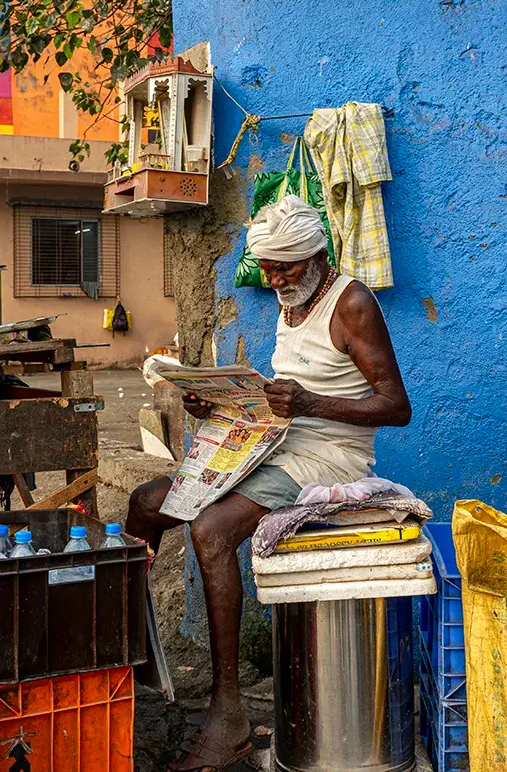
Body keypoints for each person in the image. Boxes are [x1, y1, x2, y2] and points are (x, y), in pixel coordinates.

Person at [126, 195, 411, 772]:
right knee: (145, 504)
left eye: (286, 268)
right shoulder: (290, 303)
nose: (275, 280)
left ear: (316, 257)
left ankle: (228, 709)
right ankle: (130, 655)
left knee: (210, 530)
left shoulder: (350, 302)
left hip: (328, 458)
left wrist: (308, 402)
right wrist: (221, 405)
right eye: (269, 269)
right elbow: (280, 398)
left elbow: (396, 407)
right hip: (275, 443)